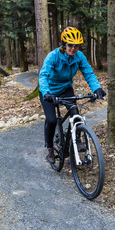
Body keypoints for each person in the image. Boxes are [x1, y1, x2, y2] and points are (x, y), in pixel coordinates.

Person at [39, 26, 106, 164]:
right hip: (48, 91)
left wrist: (97, 88)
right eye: (70, 45)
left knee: (75, 113)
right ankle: (50, 149)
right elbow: (43, 75)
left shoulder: (79, 57)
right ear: (64, 44)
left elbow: (88, 73)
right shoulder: (53, 56)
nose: (73, 48)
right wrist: (46, 93)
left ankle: (78, 139)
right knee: (51, 120)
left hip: (65, 89)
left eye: (76, 46)